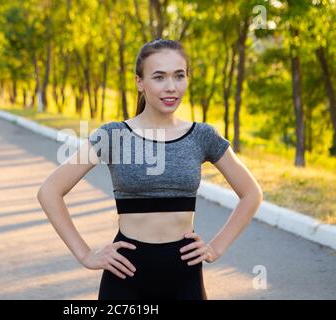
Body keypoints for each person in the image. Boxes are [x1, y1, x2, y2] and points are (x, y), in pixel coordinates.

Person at [37, 38, 263, 300]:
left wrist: (215, 248)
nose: (171, 87)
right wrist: (86, 254)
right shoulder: (113, 135)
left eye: (179, 76)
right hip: (125, 276)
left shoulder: (202, 136)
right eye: (159, 77)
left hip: (184, 276)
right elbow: (50, 191)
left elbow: (251, 193)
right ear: (139, 82)